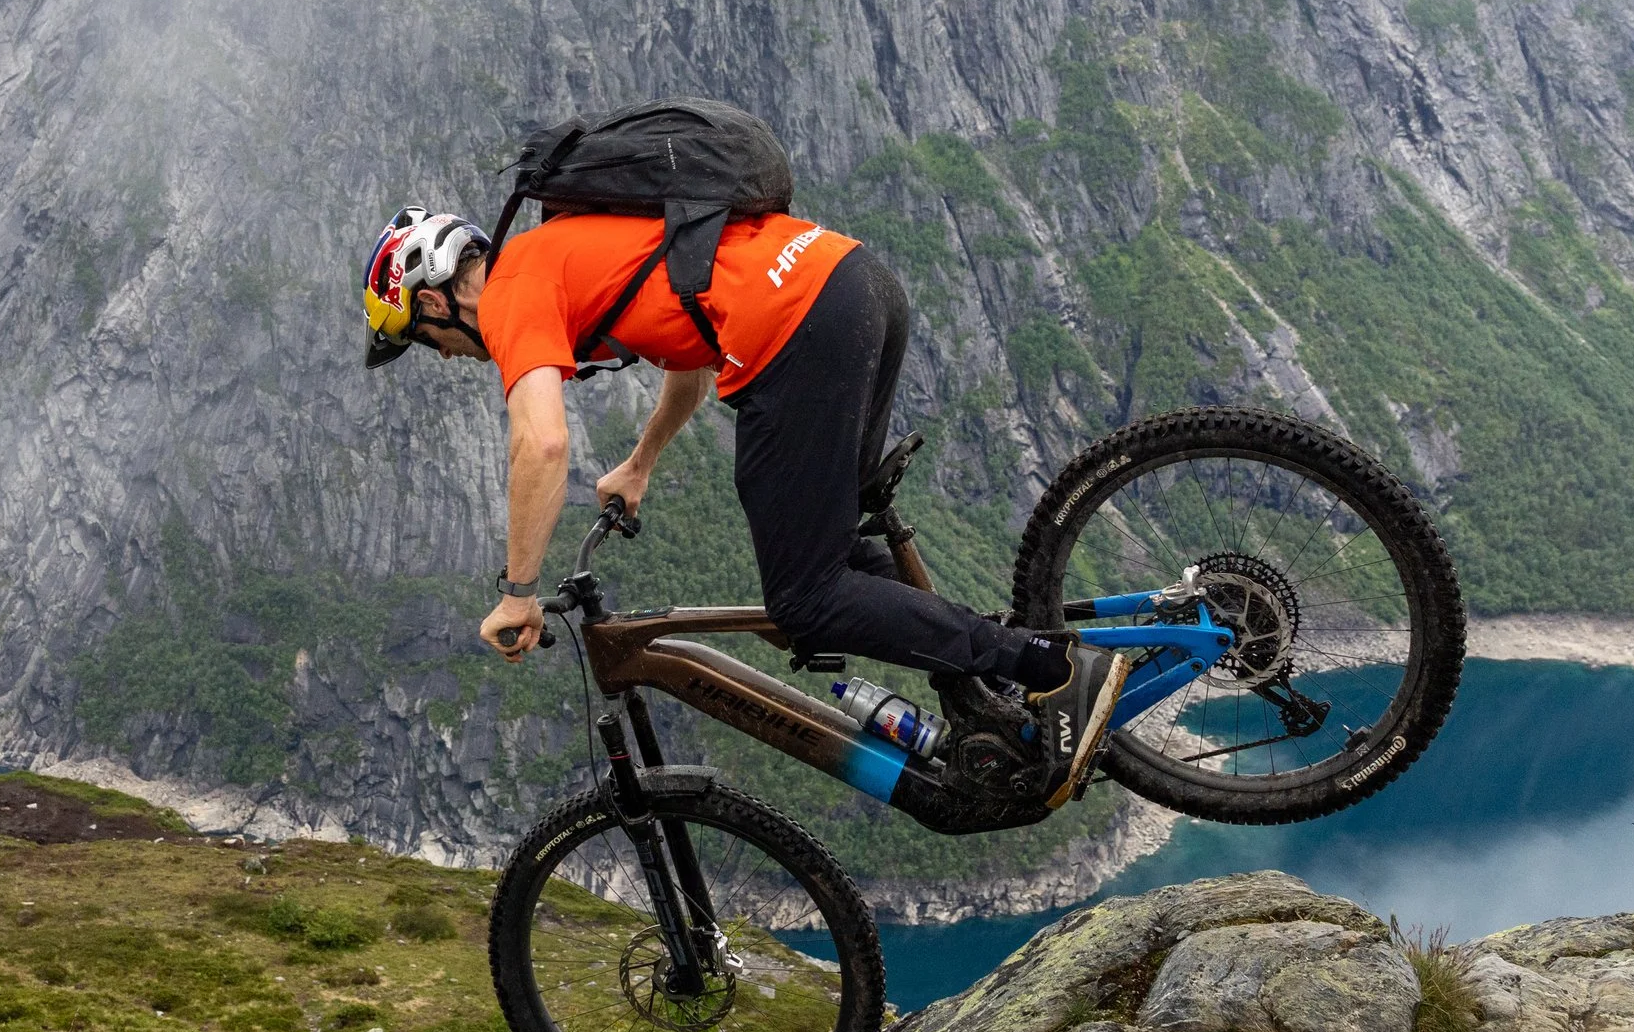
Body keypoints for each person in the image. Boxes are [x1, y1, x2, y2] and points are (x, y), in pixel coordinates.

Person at [360, 203, 1130, 806]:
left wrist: (519, 594)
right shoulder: (564, 252)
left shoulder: (508, 295)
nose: (448, 356)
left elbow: (541, 445)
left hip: (796, 331)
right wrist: (640, 462)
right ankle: (993, 694)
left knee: (807, 601)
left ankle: (1048, 666)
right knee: (829, 557)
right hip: (852, 280)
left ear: (432, 303)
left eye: (424, 341)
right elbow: (688, 357)